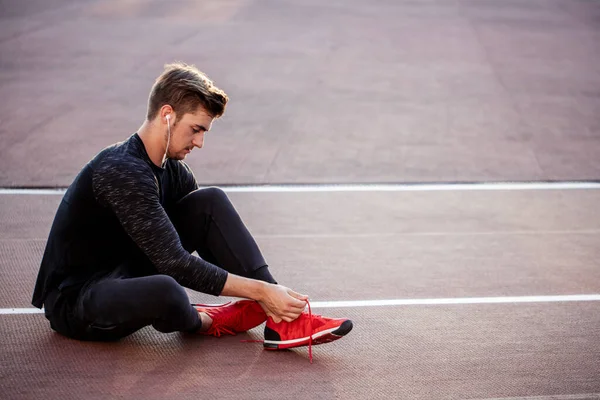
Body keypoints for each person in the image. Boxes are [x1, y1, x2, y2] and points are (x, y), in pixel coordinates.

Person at [31, 62, 352, 358]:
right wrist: (261, 291)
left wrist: (267, 292)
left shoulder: (172, 170)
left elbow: (210, 234)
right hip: (78, 299)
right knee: (167, 291)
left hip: (125, 268)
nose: (199, 142)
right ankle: (203, 321)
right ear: (167, 114)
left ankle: (281, 320)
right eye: (196, 129)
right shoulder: (123, 170)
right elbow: (175, 263)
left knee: (209, 202)